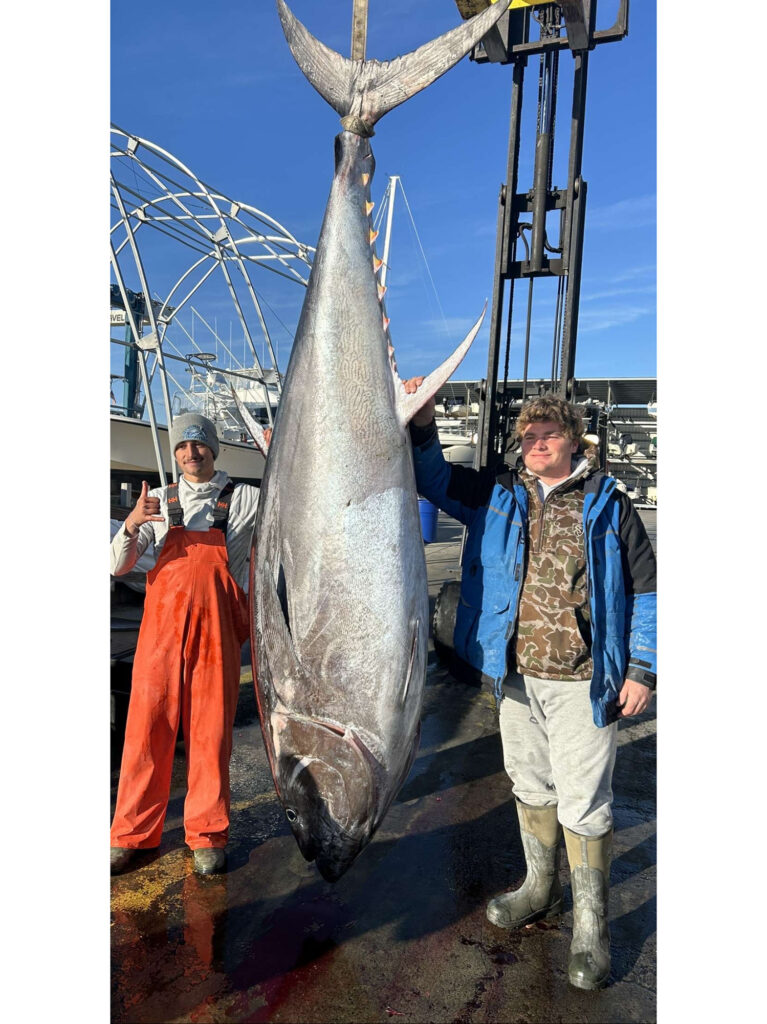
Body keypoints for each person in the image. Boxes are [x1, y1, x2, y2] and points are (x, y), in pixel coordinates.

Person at [404, 381, 656, 991]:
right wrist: (422, 424)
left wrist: (643, 669)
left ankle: (592, 927)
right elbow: (433, 481)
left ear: (572, 439)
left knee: (585, 798)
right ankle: (539, 888)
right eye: (528, 436)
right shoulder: (496, 490)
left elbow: (646, 590)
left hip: (582, 679)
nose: (536, 443)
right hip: (513, 675)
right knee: (530, 783)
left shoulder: (608, 503)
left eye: (548, 434)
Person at [110, 413, 263, 876]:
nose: (190, 453)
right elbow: (118, 566)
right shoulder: (155, 501)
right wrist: (132, 525)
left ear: (214, 449)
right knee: (145, 731)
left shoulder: (247, 499)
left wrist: (280, 455)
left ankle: (208, 833)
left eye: (199, 444)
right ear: (175, 453)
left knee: (210, 735)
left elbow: (299, 504)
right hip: (160, 638)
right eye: (182, 446)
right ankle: (131, 832)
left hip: (217, 637)